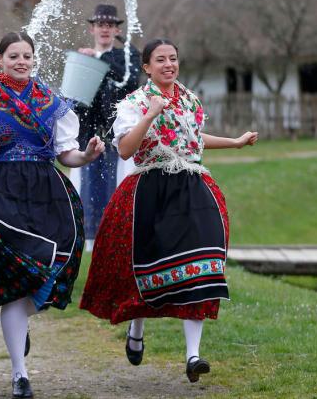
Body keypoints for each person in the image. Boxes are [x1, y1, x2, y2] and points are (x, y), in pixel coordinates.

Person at [79, 38, 258, 383]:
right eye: (160, 60)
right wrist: (150, 113)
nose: (168, 65)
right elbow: (127, 150)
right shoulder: (133, 103)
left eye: (173, 59)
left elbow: (193, 136)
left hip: (191, 185)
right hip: (150, 188)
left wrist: (233, 141)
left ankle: (193, 355)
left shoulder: (189, 99)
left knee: (204, 263)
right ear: (147, 67)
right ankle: (137, 326)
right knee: (147, 267)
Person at [0, 31, 104, 398]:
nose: (21, 61)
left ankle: (22, 322)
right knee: (24, 270)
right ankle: (20, 374)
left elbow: (67, 154)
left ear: (34, 58)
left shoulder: (52, 101)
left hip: (45, 189)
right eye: (13, 56)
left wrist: (86, 156)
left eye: (27, 55)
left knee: (57, 256)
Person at [69, 4, 141, 246]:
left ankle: (118, 238)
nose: (105, 29)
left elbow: (129, 80)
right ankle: (88, 239)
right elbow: (76, 101)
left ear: (116, 29)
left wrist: (98, 59)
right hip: (90, 135)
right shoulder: (82, 59)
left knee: (120, 184)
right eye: (101, 25)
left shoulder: (126, 57)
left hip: (119, 135)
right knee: (87, 187)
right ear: (92, 28)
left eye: (110, 25)